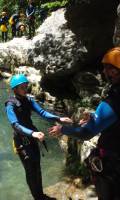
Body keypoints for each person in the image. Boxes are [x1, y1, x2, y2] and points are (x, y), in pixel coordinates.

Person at [48, 47, 120, 200]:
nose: (105, 72)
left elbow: (86, 133)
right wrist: (96, 116)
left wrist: (63, 129)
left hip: (113, 165)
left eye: (110, 68)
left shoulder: (115, 98)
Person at [5, 74, 72, 200]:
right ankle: (38, 197)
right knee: (30, 170)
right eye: (22, 87)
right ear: (15, 89)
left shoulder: (28, 100)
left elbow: (42, 112)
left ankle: (40, 195)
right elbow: (15, 125)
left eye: (26, 86)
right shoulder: (10, 105)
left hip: (32, 138)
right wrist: (33, 133)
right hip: (21, 141)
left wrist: (59, 118)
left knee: (37, 166)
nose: (25, 89)